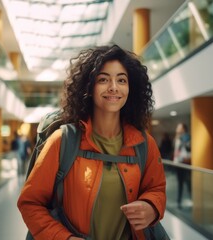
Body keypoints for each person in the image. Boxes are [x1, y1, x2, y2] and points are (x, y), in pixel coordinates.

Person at [17, 45, 166, 240]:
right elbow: (30, 203)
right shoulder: (62, 141)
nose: (113, 87)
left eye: (121, 80)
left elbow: (156, 189)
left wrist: (152, 207)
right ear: (88, 86)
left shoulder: (145, 144)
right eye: (103, 79)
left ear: (131, 87)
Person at [173, 123, 191, 209]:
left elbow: (187, 150)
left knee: (187, 182)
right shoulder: (177, 138)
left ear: (183, 129)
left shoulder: (186, 138)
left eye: (179, 127)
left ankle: (183, 200)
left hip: (184, 163)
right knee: (181, 182)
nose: (177, 128)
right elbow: (176, 150)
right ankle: (179, 201)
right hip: (178, 162)